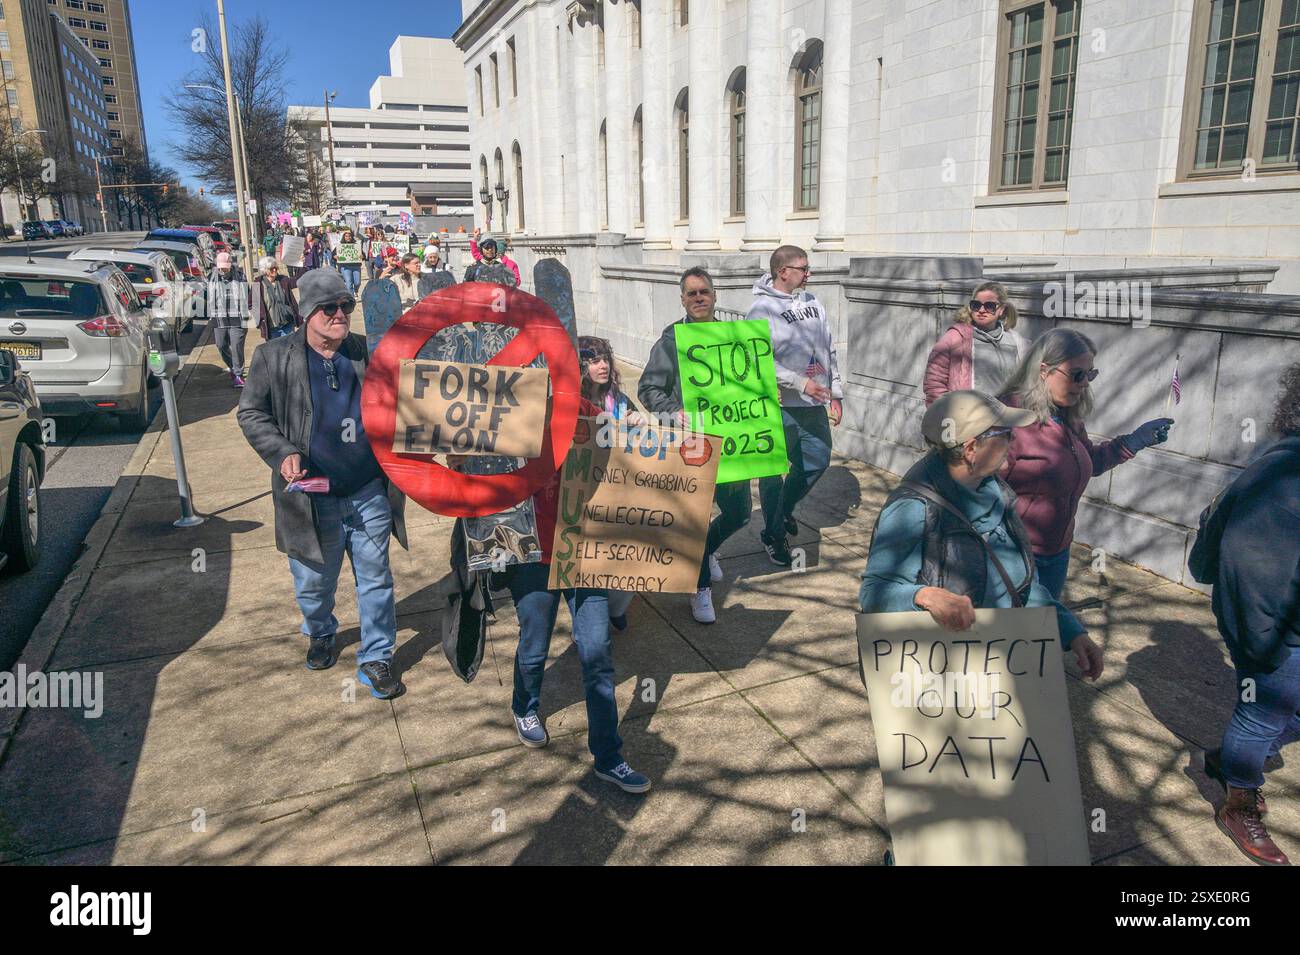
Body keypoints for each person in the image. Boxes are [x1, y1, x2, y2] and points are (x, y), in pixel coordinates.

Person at [237, 269, 408, 699]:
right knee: (313, 584)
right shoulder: (273, 357)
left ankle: (377, 657)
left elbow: (408, 399)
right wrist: (282, 452)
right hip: (310, 498)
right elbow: (251, 413)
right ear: (307, 313)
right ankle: (320, 631)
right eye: (329, 308)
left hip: (368, 489)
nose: (339, 315)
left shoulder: (368, 353)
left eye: (345, 307)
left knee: (376, 579)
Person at [860, 389, 1102, 678]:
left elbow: (1021, 588)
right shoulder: (912, 509)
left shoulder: (998, 494)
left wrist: (1071, 632)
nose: (1014, 443)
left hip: (997, 667)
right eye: (1006, 435)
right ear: (971, 449)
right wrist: (924, 596)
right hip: (942, 676)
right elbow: (875, 592)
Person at [1199, 363, 1300, 866]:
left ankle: (1234, 757)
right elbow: (1250, 563)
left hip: (1277, 625)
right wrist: (1266, 647)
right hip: (1273, 629)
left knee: (1272, 713)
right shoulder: (1285, 471)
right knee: (1263, 710)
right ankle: (1239, 803)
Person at [998, 329, 1175, 600]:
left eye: (1090, 374)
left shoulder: (1068, 417)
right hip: (1011, 554)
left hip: (1057, 552)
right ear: (1044, 370)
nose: (1084, 384)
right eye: (1077, 374)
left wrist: (1135, 441)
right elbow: (975, 488)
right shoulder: (1007, 419)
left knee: (1048, 631)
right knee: (1011, 635)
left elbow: (1088, 462)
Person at [639, 267, 750, 625]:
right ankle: (698, 588)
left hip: (733, 443)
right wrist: (674, 412)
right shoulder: (672, 340)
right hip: (691, 446)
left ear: (715, 295)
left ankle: (709, 551)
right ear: (683, 300)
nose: (699, 298)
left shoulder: (737, 337)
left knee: (740, 514)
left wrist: (765, 395)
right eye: (692, 293)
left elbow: (750, 381)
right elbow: (648, 389)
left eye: (704, 291)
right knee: (696, 521)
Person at [745, 245, 843, 567]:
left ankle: (784, 510)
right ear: (783, 271)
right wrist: (799, 383)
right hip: (778, 405)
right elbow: (759, 360)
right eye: (803, 268)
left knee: (817, 460)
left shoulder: (814, 302)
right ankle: (773, 535)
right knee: (773, 474)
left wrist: (836, 392)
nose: (808, 273)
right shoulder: (761, 310)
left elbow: (828, 347)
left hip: (814, 401)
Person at [579, 335, 646, 632]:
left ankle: (616, 607)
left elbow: (643, 445)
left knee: (628, 561)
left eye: (605, 359)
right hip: (585, 494)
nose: (603, 365)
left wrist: (639, 422)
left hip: (620, 491)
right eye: (593, 360)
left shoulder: (619, 400)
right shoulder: (571, 402)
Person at [923, 281, 1028, 405]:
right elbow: (934, 382)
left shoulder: (1016, 341)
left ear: (1001, 310)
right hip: (968, 419)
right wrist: (948, 413)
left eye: (989, 306)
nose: (981, 310)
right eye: (976, 305)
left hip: (1007, 419)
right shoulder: (955, 338)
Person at [207, 251, 250, 388]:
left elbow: (247, 294)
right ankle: (232, 366)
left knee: (236, 345)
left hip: (237, 315)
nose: (223, 270)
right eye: (220, 267)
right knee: (221, 344)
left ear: (230, 265)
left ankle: (238, 374)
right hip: (219, 316)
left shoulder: (240, 276)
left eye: (225, 267)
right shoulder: (212, 277)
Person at [254, 256, 301, 340]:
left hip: (287, 325)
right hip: (271, 328)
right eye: (271, 268)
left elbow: (298, 281)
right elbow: (252, 304)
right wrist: (260, 320)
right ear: (265, 270)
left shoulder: (283, 280)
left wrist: (301, 265)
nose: (275, 270)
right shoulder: (258, 284)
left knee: (290, 350)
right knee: (274, 352)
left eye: (276, 267)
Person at [337, 228, 362, 295]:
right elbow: (334, 254)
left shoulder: (356, 245)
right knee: (349, 282)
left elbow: (362, 254)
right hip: (345, 267)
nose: (348, 237)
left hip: (356, 266)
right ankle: (352, 297)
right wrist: (335, 256)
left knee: (357, 282)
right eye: (346, 236)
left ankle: (355, 290)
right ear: (344, 237)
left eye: (349, 236)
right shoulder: (340, 245)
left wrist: (362, 256)